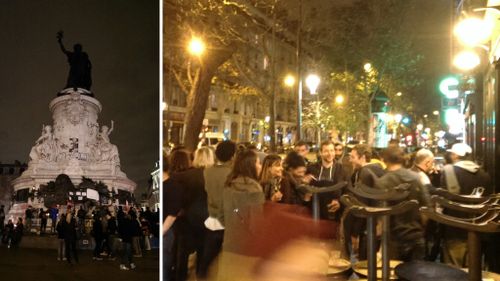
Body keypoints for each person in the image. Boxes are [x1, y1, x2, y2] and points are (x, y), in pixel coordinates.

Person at [440, 143, 492, 268]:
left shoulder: (449, 172)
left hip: (455, 229)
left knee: (454, 269)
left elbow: (441, 201)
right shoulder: (484, 175)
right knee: (474, 268)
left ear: (455, 156)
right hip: (479, 230)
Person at [375, 146, 430, 261]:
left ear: (385, 160)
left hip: (394, 239)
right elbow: (426, 209)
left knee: (394, 275)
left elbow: (381, 217)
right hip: (416, 236)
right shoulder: (416, 178)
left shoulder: (382, 182)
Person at [219, 149, 265, 281]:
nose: (260, 166)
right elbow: (256, 223)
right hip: (248, 247)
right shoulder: (254, 188)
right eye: (258, 163)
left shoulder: (229, 184)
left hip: (230, 243)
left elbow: (222, 215)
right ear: (251, 165)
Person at [174, 147, 214, 279]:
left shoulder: (185, 176)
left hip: (188, 218)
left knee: (183, 252)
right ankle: (200, 276)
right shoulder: (217, 176)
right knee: (204, 253)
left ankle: (181, 276)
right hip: (210, 219)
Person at [199, 140, 236, 279]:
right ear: (232, 156)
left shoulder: (207, 172)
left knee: (207, 258)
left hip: (212, 220)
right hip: (228, 221)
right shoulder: (233, 174)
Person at [346, 144, 385, 260]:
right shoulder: (379, 169)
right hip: (377, 225)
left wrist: (355, 233)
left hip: (367, 227)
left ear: (362, 157)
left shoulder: (365, 173)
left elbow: (361, 206)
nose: (350, 160)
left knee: (364, 264)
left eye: (353, 157)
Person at [306, 140, 349, 221]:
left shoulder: (343, 170)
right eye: (326, 151)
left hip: (335, 215)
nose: (330, 154)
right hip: (314, 212)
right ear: (320, 152)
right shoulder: (311, 168)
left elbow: (347, 191)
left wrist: (340, 203)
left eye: (332, 150)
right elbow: (306, 189)